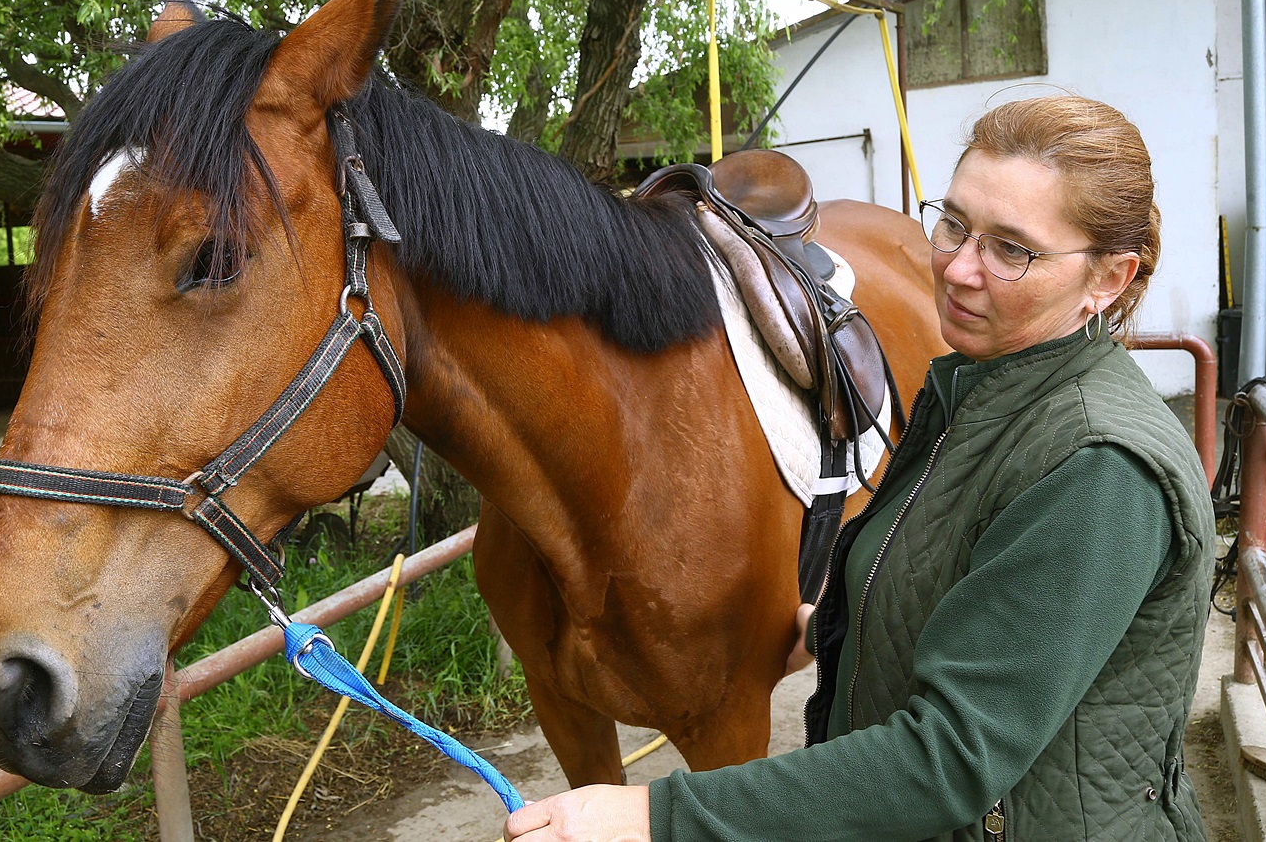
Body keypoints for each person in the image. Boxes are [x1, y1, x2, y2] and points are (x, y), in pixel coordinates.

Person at [503, 95, 1215, 842]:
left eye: (1012, 249)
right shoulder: (981, 391)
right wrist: (840, 623)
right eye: (954, 224)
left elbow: (950, 757)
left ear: (1108, 278)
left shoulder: (1097, 468)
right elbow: (963, 579)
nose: (958, 269)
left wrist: (656, 814)